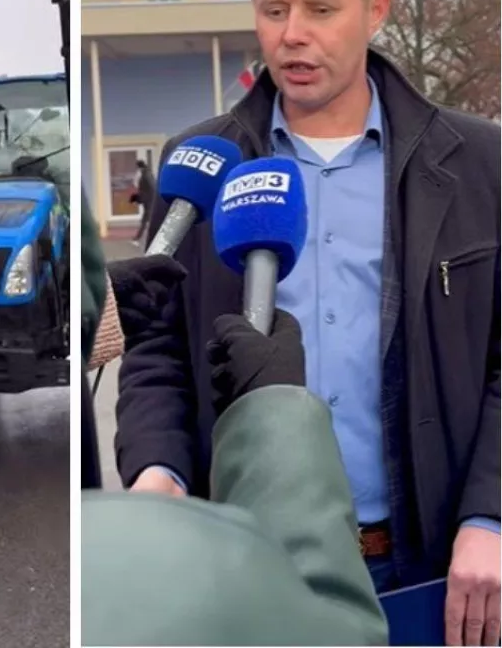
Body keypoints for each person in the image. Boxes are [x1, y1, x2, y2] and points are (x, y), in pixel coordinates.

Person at [116, 0, 501, 646]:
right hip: (245, 554)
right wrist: (156, 469)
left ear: (376, 9)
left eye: (321, 8)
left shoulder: (471, 161)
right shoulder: (198, 163)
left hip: (426, 563)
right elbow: (156, 349)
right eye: (274, 9)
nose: (293, 35)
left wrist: (489, 513)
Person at [79, 191, 388, 646]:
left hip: (430, 554)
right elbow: (336, 630)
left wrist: (487, 517)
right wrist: (272, 408)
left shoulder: (473, 157)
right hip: (237, 561)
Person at [130, 158, 156, 246]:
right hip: (149, 200)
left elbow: (151, 187)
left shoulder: (146, 175)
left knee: (146, 220)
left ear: (139, 167)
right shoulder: (147, 173)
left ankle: (137, 239)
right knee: (147, 220)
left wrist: (143, 198)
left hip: (149, 201)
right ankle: (138, 238)